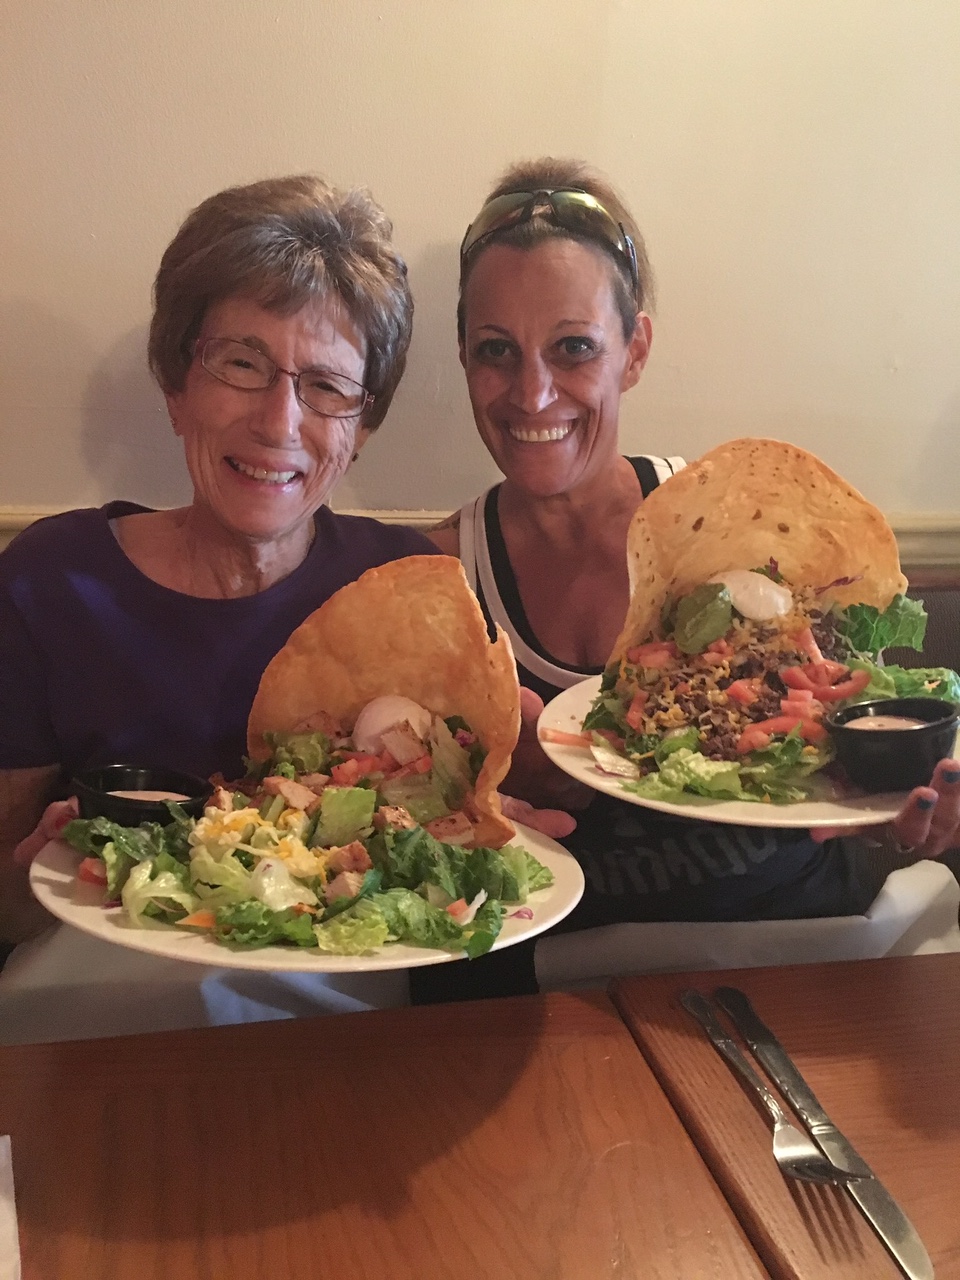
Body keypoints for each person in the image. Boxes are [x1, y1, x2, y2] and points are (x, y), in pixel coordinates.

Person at [415, 156, 960, 1001]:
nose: (532, 393)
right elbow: (424, 859)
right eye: (496, 351)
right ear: (462, 355)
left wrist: (908, 817)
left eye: (573, 347)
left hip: (801, 956)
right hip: (562, 994)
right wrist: (480, 791)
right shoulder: (440, 579)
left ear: (634, 351)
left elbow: (857, 790)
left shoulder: (754, 532)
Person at [0, 174, 439, 973]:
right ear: (177, 385)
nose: (279, 422)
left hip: (355, 1021)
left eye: (326, 386)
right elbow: (3, 899)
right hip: (99, 1010)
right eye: (241, 363)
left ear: (362, 429)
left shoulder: (409, 589)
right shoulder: (49, 586)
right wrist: (34, 880)